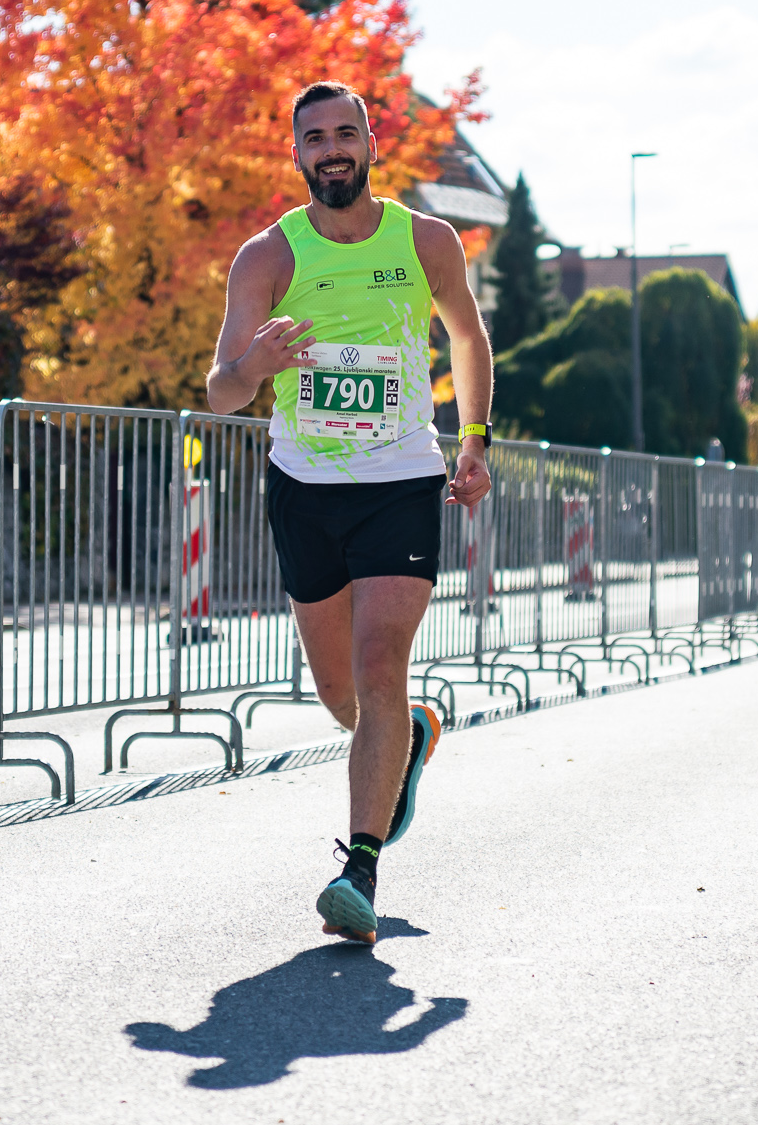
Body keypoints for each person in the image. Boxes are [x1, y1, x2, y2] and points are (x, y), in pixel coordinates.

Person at [206, 80, 494, 947]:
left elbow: (467, 335)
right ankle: (410, 735)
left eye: (345, 133)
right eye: (315, 137)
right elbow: (220, 392)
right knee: (341, 693)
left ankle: (358, 867)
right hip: (304, 487)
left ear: (370, 143)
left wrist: (474, 438)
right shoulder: (267, 256)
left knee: (378, 666)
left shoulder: (425, 240)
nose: (331, 148)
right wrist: (253, 367)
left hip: (401, 479)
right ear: (296, 153)